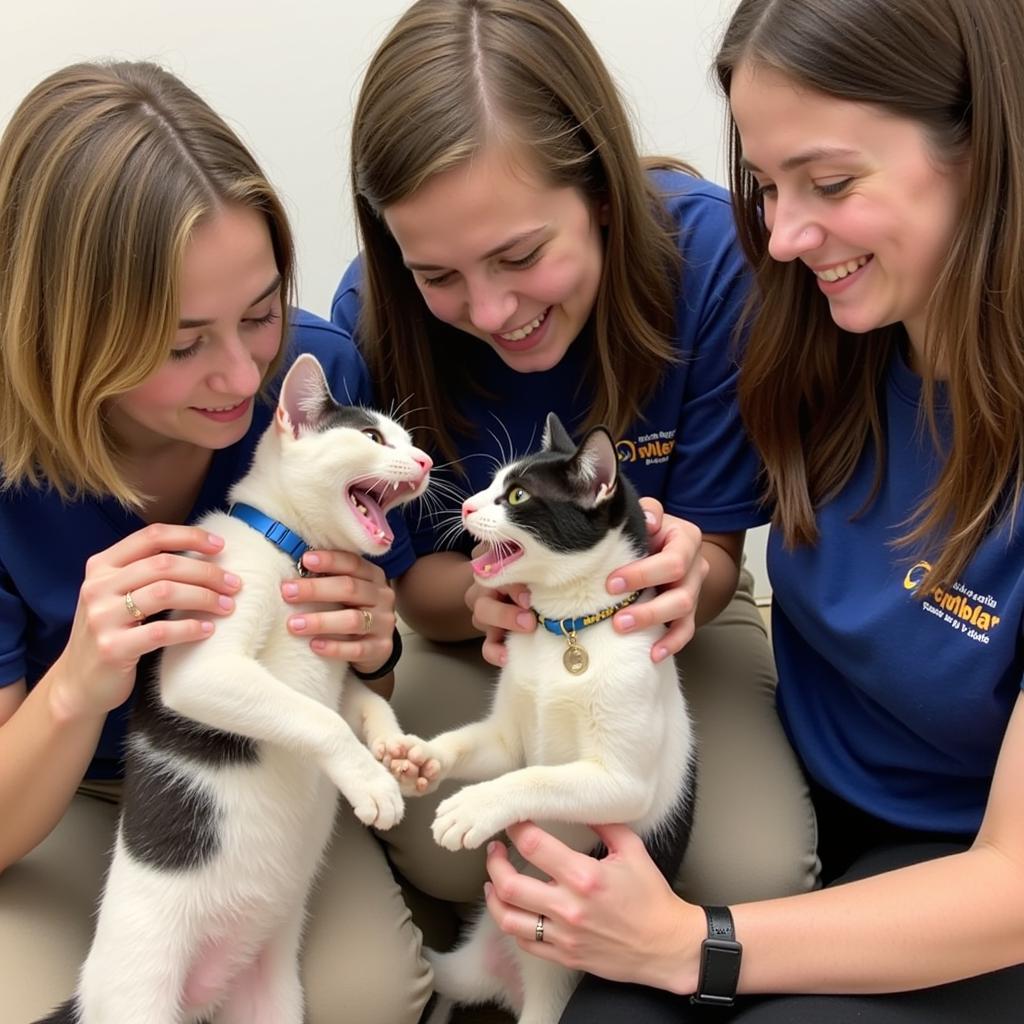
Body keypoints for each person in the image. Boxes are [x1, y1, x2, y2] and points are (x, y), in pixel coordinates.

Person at [480, 0, 1024, 1020]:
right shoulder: (828, 339)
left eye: (827, 183)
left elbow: (1009, 885)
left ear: (985, 146)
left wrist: (697, 943)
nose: (780, 237)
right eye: (767, 187)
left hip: (971, 883)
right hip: (808, 797)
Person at [333, 0, 816, 941]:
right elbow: (409, 591)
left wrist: (682, 581)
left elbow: (715, 554)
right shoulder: (374, 320)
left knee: (758, 873)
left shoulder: (711, 264)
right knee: (454, 847)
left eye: (521, 255)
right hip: (478, 640)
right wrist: (485, 602)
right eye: (438, 275)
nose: (489, 309)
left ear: (600, 191)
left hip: (664, 639)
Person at [0, 61, 431, 1024]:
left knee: (372, 999)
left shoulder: (316, 382)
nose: (241, 374)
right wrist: (78, 682)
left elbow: (373, 664)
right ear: (67, 334)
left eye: (261, 310)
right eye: (183, 341)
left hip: (265, 776)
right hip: (64, 791)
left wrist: (376, 642)